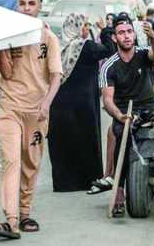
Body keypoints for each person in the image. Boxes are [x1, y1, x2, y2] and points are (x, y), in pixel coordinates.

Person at [0, 0, 62, 239]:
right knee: (12, 160)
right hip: (9, 107)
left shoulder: (48, 38)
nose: (27, 8)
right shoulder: (8, 35)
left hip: (37, 111)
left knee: (31, 164)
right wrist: (0, 45)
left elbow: (56, 76)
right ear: (17, 6)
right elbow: (7, 73)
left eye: (32, 3)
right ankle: (10, 220)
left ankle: (25, 211)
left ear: (39, 6)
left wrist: (46, 103)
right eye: (22, 3)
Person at [99, 15, 154, 217]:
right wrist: (119, 116)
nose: (126, 36)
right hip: (124, 113)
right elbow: (107, 100)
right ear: (114, 38)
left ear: (134, 34)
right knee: (121, 137)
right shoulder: (108, 66)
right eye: (121, 33)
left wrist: (152, 34)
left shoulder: (144, 55)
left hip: (149, 110)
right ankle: (118, 191)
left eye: (129, 32)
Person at [48, 14, 111, 192]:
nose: (86, 30)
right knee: (85, 142)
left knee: (62, 143)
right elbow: (109, 50)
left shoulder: (57, 46)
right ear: (77, 27)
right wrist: (105, 29)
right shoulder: (86, 47)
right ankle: (87, 180)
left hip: (59, 104)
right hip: (83, 105)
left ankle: (64, 183)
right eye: (85, 26)